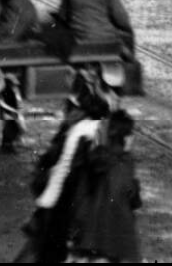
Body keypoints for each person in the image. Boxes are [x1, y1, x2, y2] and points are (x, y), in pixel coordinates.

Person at [28, 79, 111, 264]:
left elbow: (62, 169)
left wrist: (45, 201)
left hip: (71, 209)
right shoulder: (106, 130)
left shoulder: (75, 132)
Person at [71, 109, 143, 264]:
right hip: (116, 235)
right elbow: (126, 192)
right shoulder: (124, 161)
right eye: (131, 133)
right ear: (124, 137)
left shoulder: (97, 156)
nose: (133, 137)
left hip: (90, 234)